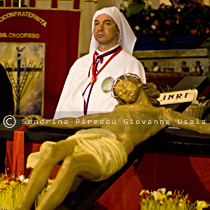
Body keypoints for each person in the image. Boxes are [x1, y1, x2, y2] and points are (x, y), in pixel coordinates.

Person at [16, 73, 210, 210]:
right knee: (52, 150)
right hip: (90, 138)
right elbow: (79, 122)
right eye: (119, 92)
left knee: (71, 163)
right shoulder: (116, 112)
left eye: (125, 84)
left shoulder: (160, 114)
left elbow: (201, 127)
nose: (123, 91)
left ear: (140, 84)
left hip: (111, 149)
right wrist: (46, 121)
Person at [53, 6, 146, 119]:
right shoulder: (80, 64)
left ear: (118, 31)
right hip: (73, 131)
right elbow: (63, 103)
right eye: (96, 23)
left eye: (107, 23)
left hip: (108, 132)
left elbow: (136, 110)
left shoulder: (131, 64)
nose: (100, 28)